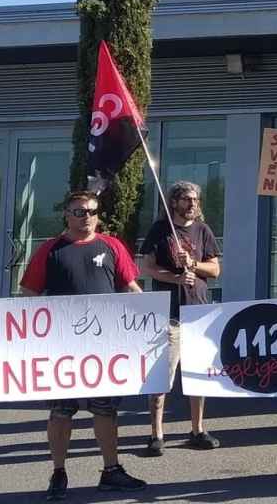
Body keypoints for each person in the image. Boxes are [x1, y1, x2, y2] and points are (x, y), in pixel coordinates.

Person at [16, 190, 148, 501]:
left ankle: (111, 470)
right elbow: (28, 295)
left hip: (103, 346)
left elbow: (130, 287)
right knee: (62, 412)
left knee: (105, 409)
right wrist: (11, 333)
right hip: (61, 346)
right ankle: (59, 473)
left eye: (89, 211)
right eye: (77, 212)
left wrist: (150, 321)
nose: (84, 217)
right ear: (67, 215)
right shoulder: (50, 250)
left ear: (97, 215)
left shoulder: (112, 246)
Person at [138, 181, 222, 456]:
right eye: (186, 199)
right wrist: (174, 276)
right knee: (162, 374)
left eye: (196, 199)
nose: (192, 204)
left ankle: (197, 429)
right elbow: (146, 267)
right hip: (169, 312)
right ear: (173, 202)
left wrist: (194, 265)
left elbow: (215, 269)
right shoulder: (160, 230)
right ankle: (156, 432)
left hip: (198, 310)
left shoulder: (203, 230)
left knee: (198, 372)